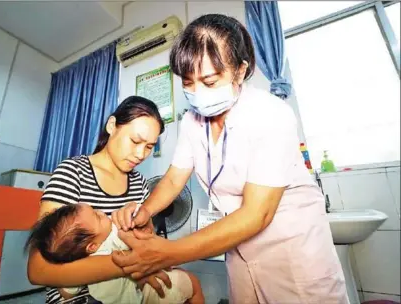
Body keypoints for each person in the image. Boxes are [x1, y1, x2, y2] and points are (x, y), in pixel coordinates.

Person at [111, 14, 350, 303]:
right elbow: (175, 177)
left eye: (209, 81)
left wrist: (167, 253)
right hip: (239, 249)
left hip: (292, 250)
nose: (197, 93)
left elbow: (256, 214)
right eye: (188, 83)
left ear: (239, 71)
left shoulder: (270, 115)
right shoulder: (191, 123)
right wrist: (144, 212)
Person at [27, 96, 189, 304]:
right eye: (135, 141)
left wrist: (145, 231)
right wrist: (133, 265)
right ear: (112, 125)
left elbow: (145, 244)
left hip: (128, 293)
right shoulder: (73, 172)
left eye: (149, 146)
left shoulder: (139, 183)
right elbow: (38, 270)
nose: (141, 154)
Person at [25, 203, 204, 304]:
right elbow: (144, 249)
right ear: (92, 247)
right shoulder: (114, 234)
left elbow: (67, 293)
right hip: (144, 296)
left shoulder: (79, 261)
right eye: (97, 216)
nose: (102, 212)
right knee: (193, 283)